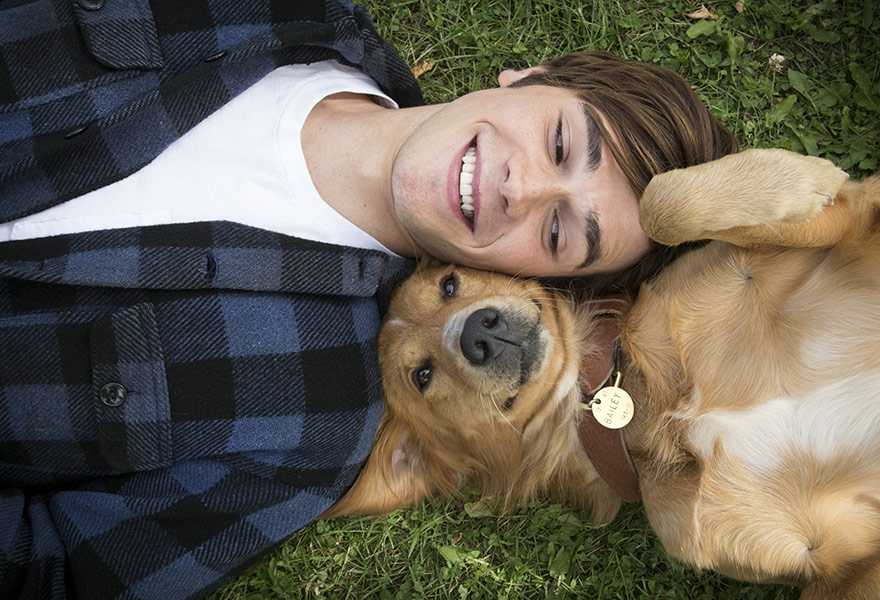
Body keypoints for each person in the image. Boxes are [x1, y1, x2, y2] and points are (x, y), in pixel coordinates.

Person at [0, 1, 738, 598]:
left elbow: (58, 574)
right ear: (527, 75)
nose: (522, 186)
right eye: (559, 144)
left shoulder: (318, 428)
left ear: (542, 281)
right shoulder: (285, 12)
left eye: (558, 230)